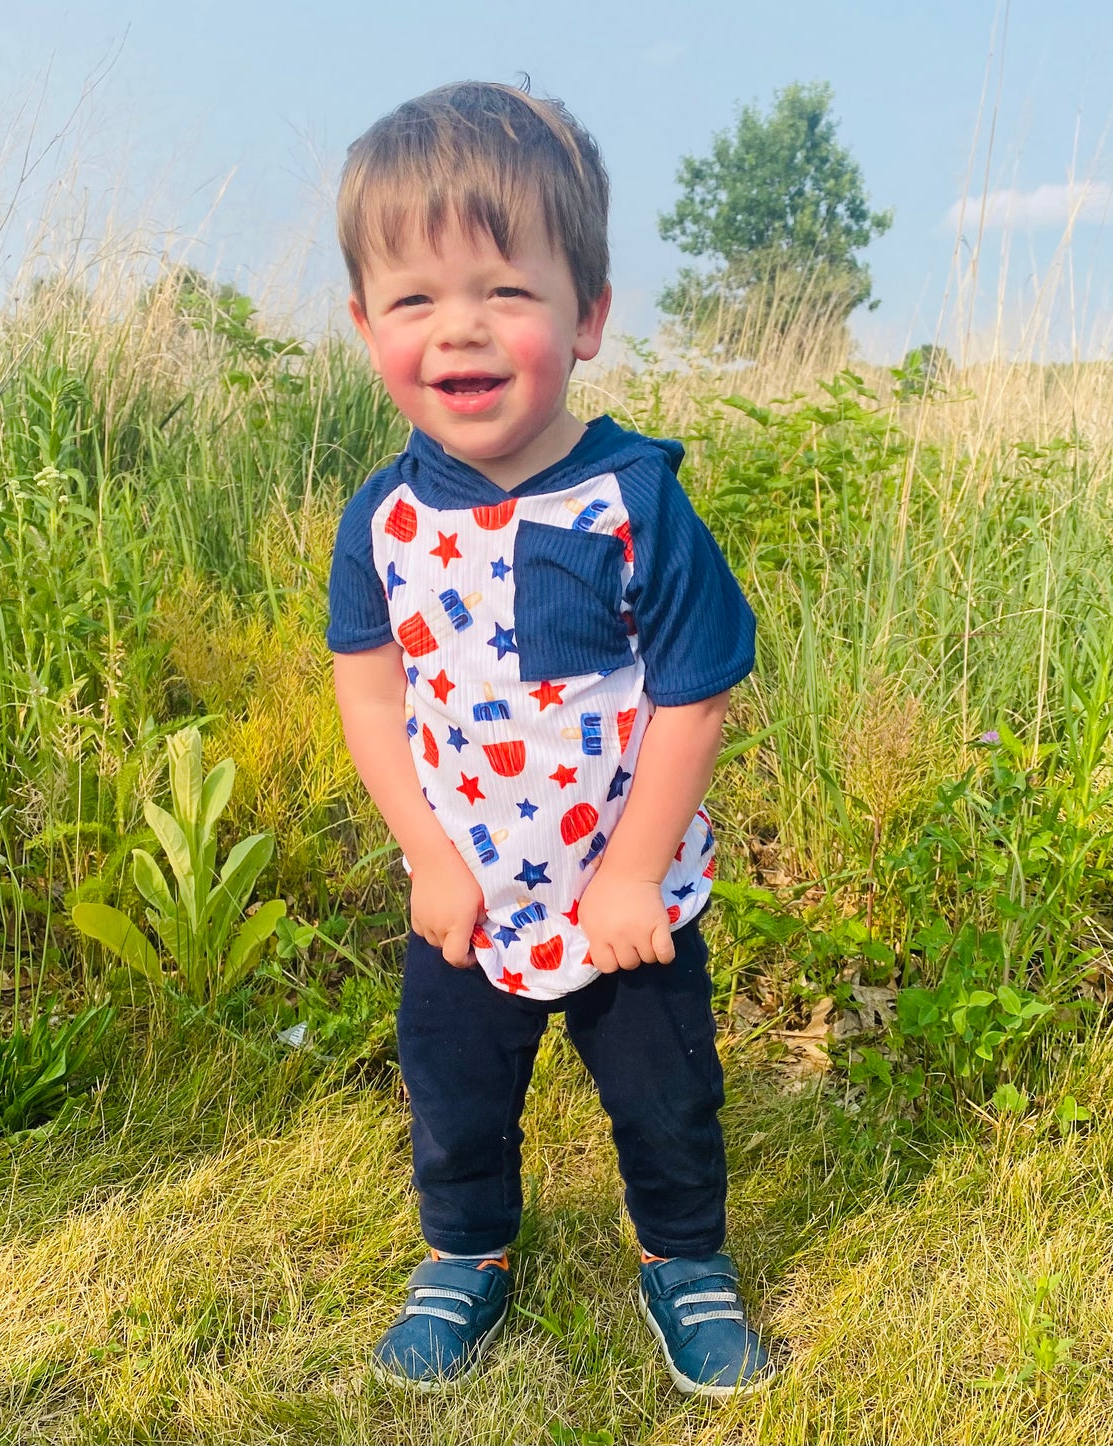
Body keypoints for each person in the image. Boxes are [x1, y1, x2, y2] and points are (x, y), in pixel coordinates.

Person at [326, 80, 771, 1398]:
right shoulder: (382, 519)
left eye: (503, 292)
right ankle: (468, 1253)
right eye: (413, 300)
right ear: (366, 330)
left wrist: (632, 871)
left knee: (666, 1100)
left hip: (622, 896)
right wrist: (423, 854)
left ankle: (683, 1259)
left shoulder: (635, 498)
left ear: (584, 315)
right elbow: (368, 694)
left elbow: (694, 693)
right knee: (454, 1098)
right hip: (463, 892)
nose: (457, 328)